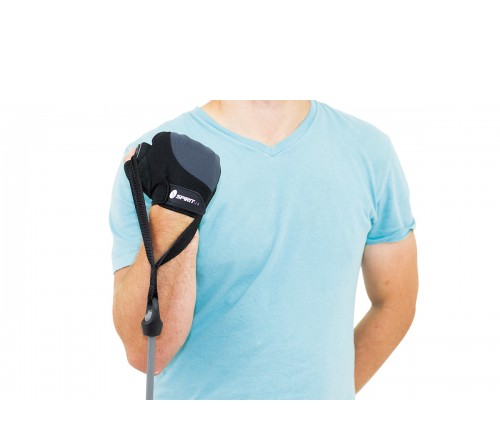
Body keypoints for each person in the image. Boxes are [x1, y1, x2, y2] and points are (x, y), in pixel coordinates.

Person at [109, 100, 418, 399]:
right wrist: (175, 208)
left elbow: (395, 302)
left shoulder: (369, 151)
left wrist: (335, 395)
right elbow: (146, 354)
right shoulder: (157, 156)